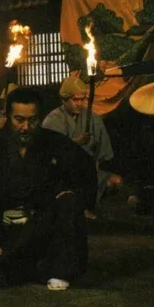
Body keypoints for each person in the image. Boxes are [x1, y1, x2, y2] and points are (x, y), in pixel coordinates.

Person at [0, 87, 96, 291]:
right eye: (19, 120)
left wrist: (75, 198)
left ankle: (52, 268)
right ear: (8, 117)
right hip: (3, 232)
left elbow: (85, 166)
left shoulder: (54, 142)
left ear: (39, 118)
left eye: (32, 120)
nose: (26, 127)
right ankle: (29, 268)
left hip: (40, 227)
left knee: (67, 201)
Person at [42, 76, 122, 220]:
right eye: (75, 100)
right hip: (63, 175)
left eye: (82, 99)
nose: (79, 104)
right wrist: (75, 142)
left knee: (115, 182)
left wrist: (93, 170)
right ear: (64, 99)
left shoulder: (93, 118)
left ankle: (93, 205)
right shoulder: (52, 120)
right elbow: (51, 152)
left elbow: (102, 153)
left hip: (90, 173)